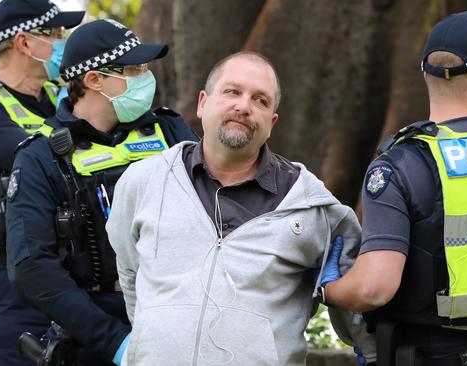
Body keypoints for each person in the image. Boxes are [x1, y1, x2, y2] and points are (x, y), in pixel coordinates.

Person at [105, 51, 376, 365]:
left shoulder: (310, 206)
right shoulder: (144, 181)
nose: (244, 106)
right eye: (232, 91)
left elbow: (356, 305)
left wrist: (372, 353)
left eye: (260, 100)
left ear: (271, 122)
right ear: (203, 102)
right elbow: (129, 272)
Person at [319, 11, 467, 365]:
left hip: (433, 353)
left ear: (425, 75)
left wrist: (328, 289)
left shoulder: (401, 164)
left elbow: (374, 287)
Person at [4, 19, 199, 365]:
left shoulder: (170, 131)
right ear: (94, 79)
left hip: (181, 320)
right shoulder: (40, 157)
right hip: (95, 336)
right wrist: (115, 343)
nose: (146, 77)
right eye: (134, 68)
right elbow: (32, 267)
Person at [0, 1, 84, 364]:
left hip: (67, 278)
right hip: (5, 289)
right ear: (25, 43)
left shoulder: (61, 100)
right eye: (55, 34)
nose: (63, 42)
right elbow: (47, 160)